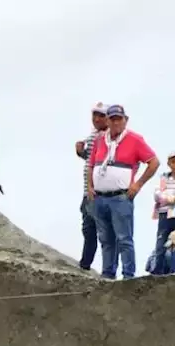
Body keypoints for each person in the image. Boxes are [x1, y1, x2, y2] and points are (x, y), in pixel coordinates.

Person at [86, 104, 159, 280]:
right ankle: (108, 273)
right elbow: (91, 165)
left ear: (125, 120)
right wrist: (89, 186)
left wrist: (138, 184)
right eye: (112, 119)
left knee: (124, 238)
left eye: (119, 119)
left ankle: (128, 275)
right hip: (100, 197)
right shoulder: (100, 140)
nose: (116, 122)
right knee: (106, 239)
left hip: (120, 196)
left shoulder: (135, 139)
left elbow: (154, 162)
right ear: (108, 121)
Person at [75, 103, 108, 271]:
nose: (96, 119)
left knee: (104, 232)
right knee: (88, 230)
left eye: (101, 115)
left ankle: (108, 270)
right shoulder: (93, 134)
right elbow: (91, 160)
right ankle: (85, 264)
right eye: (94, 115)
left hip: (100, 192)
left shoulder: (109, 136)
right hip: (87, 191)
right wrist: (81, 151)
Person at [150, 151, 175, 275]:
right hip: (164, 214)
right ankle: (158, 270)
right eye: (173, 161)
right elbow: (157, 195)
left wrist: (166, 198)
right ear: (169, 163)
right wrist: (173, 199)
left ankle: (174, 271)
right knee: (161, 242)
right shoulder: (163, 178)